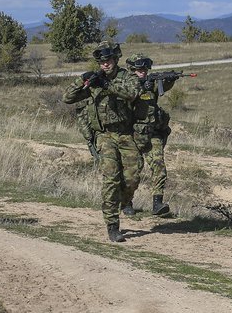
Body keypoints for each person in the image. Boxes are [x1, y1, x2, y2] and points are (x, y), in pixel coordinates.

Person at [63, 41, 142, 242]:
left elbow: (132, 94)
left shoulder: (127, 77)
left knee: (132, 178)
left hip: (125, 134)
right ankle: (113, 225)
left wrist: (107, 85)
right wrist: (82, 80)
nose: (105, 64)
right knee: (111, 178)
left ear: (116, 59)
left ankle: (125, 202)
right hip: (104, 136)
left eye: (108, 60)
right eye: (101, 62)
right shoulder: (95, 79)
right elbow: (67, 98)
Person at [126, 53, 173, 216]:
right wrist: (139, 88)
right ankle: (126, 202)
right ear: (132, 70)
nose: (143, 72)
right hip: (132, 135)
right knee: (133, 171)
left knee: (159, 166)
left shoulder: (150, 83)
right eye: (139, 69)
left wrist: (169, 79)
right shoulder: (125, 85)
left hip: (152, 133)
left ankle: (157, 203)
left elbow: (162, 88)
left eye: (145, 69)